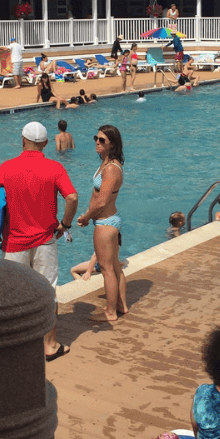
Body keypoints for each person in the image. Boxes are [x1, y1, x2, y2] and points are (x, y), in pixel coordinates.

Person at [0, 121, 78, 360]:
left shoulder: (6, 168)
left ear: (22, 140)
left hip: (14, 242)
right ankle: (50, 344)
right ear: (46, 143)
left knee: (14, 294)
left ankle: (17, 344)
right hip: (45, 240)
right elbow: (72, 197)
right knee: (48, 290)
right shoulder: (55, 167)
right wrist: (65, 225)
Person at [77, 125, 127, 323]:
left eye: (102, 140)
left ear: (112, 144)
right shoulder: (107, 164)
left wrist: (87, 216)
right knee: (114, 266)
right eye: (96, 138)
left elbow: (102, 201)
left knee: (106, 269)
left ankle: (110, 312)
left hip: (105, 222)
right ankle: (122, 306)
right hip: (109, 220)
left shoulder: (112, 169)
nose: (97, 142)